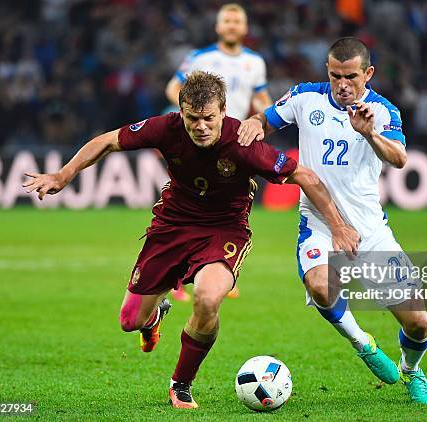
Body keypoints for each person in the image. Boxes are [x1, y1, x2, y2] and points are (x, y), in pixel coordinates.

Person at [23, 71, 359, 409]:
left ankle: (180, 383)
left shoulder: (242, 144)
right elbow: (107, 141)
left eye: (209, 118)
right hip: (172, 226)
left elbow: (304, 175)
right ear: (180, 112)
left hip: (224, 231)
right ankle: (154, 316)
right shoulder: (166, 128)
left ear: (223, 111)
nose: (200, 126)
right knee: (129, 322)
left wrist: (338, 226)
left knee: (208, 299)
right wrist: (62, 176)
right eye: (192, 118)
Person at [237, 37, 427, 404]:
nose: (342, 85)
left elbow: (399, 158)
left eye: (351, 77)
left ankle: (412, 370)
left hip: (371, 231)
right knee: (319, 285)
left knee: (418, 322)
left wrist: (368, 133)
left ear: (368, 74)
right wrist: (253, 122)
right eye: (335, 76)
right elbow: (266, 119)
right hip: (319, 223)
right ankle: (363, 343)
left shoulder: (383, 110)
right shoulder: (305, 98)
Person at [166, 3, 272, 300]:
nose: (231, 25)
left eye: (237, 21)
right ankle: (175, 276)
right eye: (227, 20)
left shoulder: (256, 62)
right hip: (200, 142)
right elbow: (173, 88)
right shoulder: (201, 58)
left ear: (245, 27)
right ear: (217, 26)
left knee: (232, 205)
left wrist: (267, 120)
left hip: (234, 143)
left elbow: (262, 97)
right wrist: (190, 116)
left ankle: (222, 268)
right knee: (187, 204)